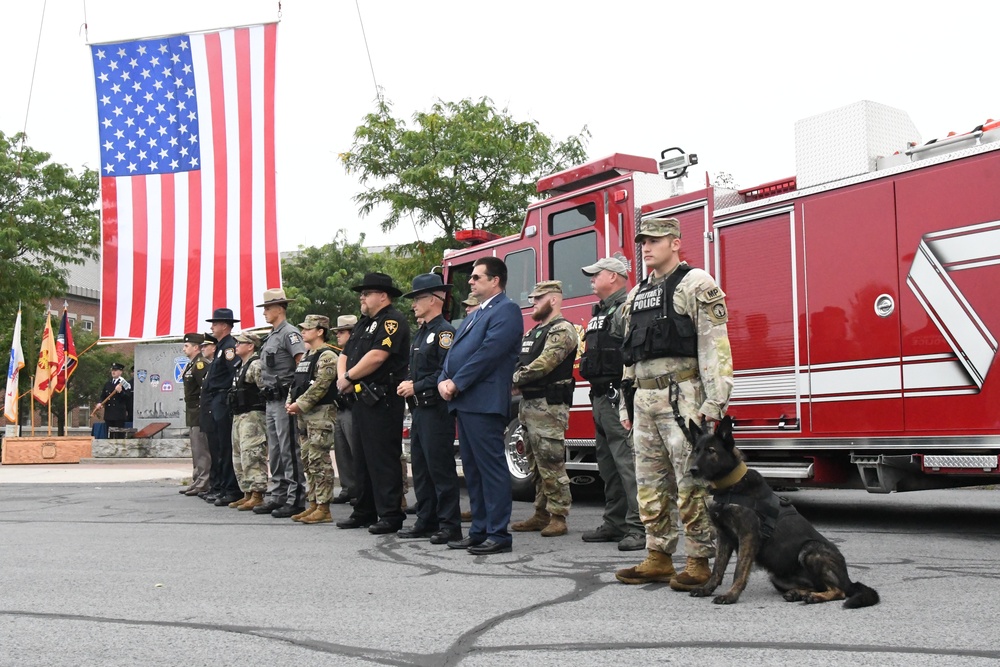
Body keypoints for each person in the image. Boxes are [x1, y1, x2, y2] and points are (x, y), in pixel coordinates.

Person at [615, 217, 733, 591]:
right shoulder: (636, 295)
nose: (646, 247)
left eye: (654, 240)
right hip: (645, 398)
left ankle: (699, 560)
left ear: (676, 243)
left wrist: (714, 403)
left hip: (683, 398)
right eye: (643, 242)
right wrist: (626, 402)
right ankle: (658, 556)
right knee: (649, 482)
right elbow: (630, 353)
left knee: (691, 482)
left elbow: (715, 347)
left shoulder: (697, 284)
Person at [437, 257, 523, 555]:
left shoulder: (507, 311)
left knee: (491, 469)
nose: (470, 282)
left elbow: (489, 354)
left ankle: (498, 534)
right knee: (472, 471)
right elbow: (454, 353)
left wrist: (456, 382)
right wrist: (442, 378)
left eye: (476, 277)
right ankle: (479, 530)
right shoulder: (476, 314)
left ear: (495, 280)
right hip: (466, 402)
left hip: (483, 402)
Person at [335, 272, 410, 534]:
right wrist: (342, 378)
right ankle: (364, 510)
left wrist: (348, 377)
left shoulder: (392, 321)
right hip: (360, 396)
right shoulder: (364, 323)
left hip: (383, 398)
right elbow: (344, 354)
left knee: (382, 457)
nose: (362, 298)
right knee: (362, 458)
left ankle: (390, 514)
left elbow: (378, 356)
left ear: (383, 295)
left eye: (366, 294)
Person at [578, 257, 645, 551]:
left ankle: (638, 527)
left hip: (617, 396)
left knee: (627, 464)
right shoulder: (602, 312)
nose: (591, 279)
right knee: (608, 465)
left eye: (597, 275)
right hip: (600, 396)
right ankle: (615, 522)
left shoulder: (624, 309)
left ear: (615, 277)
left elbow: (632, 352)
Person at [396, 273, 462, 545]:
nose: (413, 304)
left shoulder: (445, 333)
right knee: (421, 468)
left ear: (435, 299)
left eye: (418, 298)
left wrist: (417, 386)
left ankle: (449, 525)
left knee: (440, 469)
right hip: (420, 410)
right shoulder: (422, 333)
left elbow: (445, 371)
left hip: (435, 410)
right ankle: (426, 520)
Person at [510, 281, 579, 537]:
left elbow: (545, 364)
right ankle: (540, 513)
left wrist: (514, 379)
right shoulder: (534, 333)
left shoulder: (563, 330)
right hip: (528, 406)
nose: (533, 304)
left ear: (553, 299)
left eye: (538, 299)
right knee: (535, 465)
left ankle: (558, 516)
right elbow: (521, 361)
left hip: (549, 407)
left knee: (551, 463)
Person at [252, 288, 307, 519]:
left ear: (280, 309)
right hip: (271, 400)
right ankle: (278, 495)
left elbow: (301, 363)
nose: (264, 312)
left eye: (267, 308)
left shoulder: (290, 333)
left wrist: (295, 396)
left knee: (288, 449)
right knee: (274, 450)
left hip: (284, 397)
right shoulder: (271, 335)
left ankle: (295, 498)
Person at [286, 314, 339, 524]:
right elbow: (296, 382)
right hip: (304, 415)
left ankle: (324, 508)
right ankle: (314, 503)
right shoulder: (308, 355)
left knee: (319, 460)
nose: (303, 331)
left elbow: (321, 385)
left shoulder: (328, 356)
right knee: (308, 460)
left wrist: (300, 404)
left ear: (320, 331)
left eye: (309, 328)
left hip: (320, 413)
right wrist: (290, 401)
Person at [201, 308, 243, 505]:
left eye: (215, 324)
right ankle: (223, 487)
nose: (212, 327)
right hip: (215, 399)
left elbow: (235, 371)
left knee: (226, 446)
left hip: (223, 398)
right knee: (218, 445)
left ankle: (231, 489)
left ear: (225, 326)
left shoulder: (229, 347)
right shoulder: (221, 346)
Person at [228, 331, 268, 511]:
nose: (236, 346)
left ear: (250, 346)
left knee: (252, 453)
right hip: (239, 415)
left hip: (253, 415)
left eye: (240, 343)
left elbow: (264, 389)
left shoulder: (256, 365)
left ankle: (257, 493)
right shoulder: (240, 365)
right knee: (239, 455)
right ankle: (247, 492)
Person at [330, 315, 358, 505]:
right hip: (341, 406)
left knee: (356, 449)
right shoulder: (342, 354)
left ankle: (361, 489)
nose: (338, 336)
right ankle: (349, 488)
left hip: (355, 405)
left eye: (342, 332)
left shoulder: (359, 352)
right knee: (342, 451)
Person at [180, 333, 211, 496]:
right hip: (192, 411)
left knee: (201, 448)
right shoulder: (192, 364)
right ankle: (197, 478)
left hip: (199, 411)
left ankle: (204, 481)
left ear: (196, 347)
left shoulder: (200, 364)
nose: (184, 348)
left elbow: (204, 389)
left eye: (187, 346)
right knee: (195, 447)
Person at [100, 363, 133, 430]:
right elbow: (103, 396)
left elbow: (128, 397)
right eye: (112, 370)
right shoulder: (108, 384)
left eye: (115, 370)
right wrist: (99, 403)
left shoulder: (125, 383)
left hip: (119, 415)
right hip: (109, 415)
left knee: (118, 436)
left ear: (120, 372)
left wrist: (120, 392)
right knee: (109, 436)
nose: (113, 372)